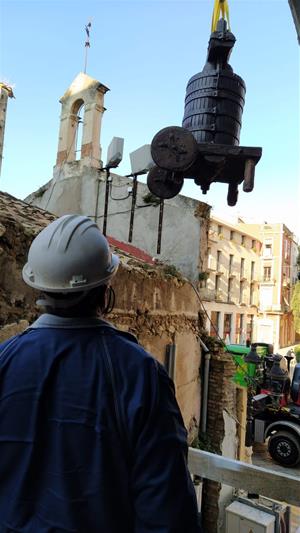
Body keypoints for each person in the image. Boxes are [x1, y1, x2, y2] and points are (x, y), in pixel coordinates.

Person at [0, 214, 201, 532]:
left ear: (38, 286)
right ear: (106, 289)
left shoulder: (5, 359)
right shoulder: (140, 373)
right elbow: (168, 512)